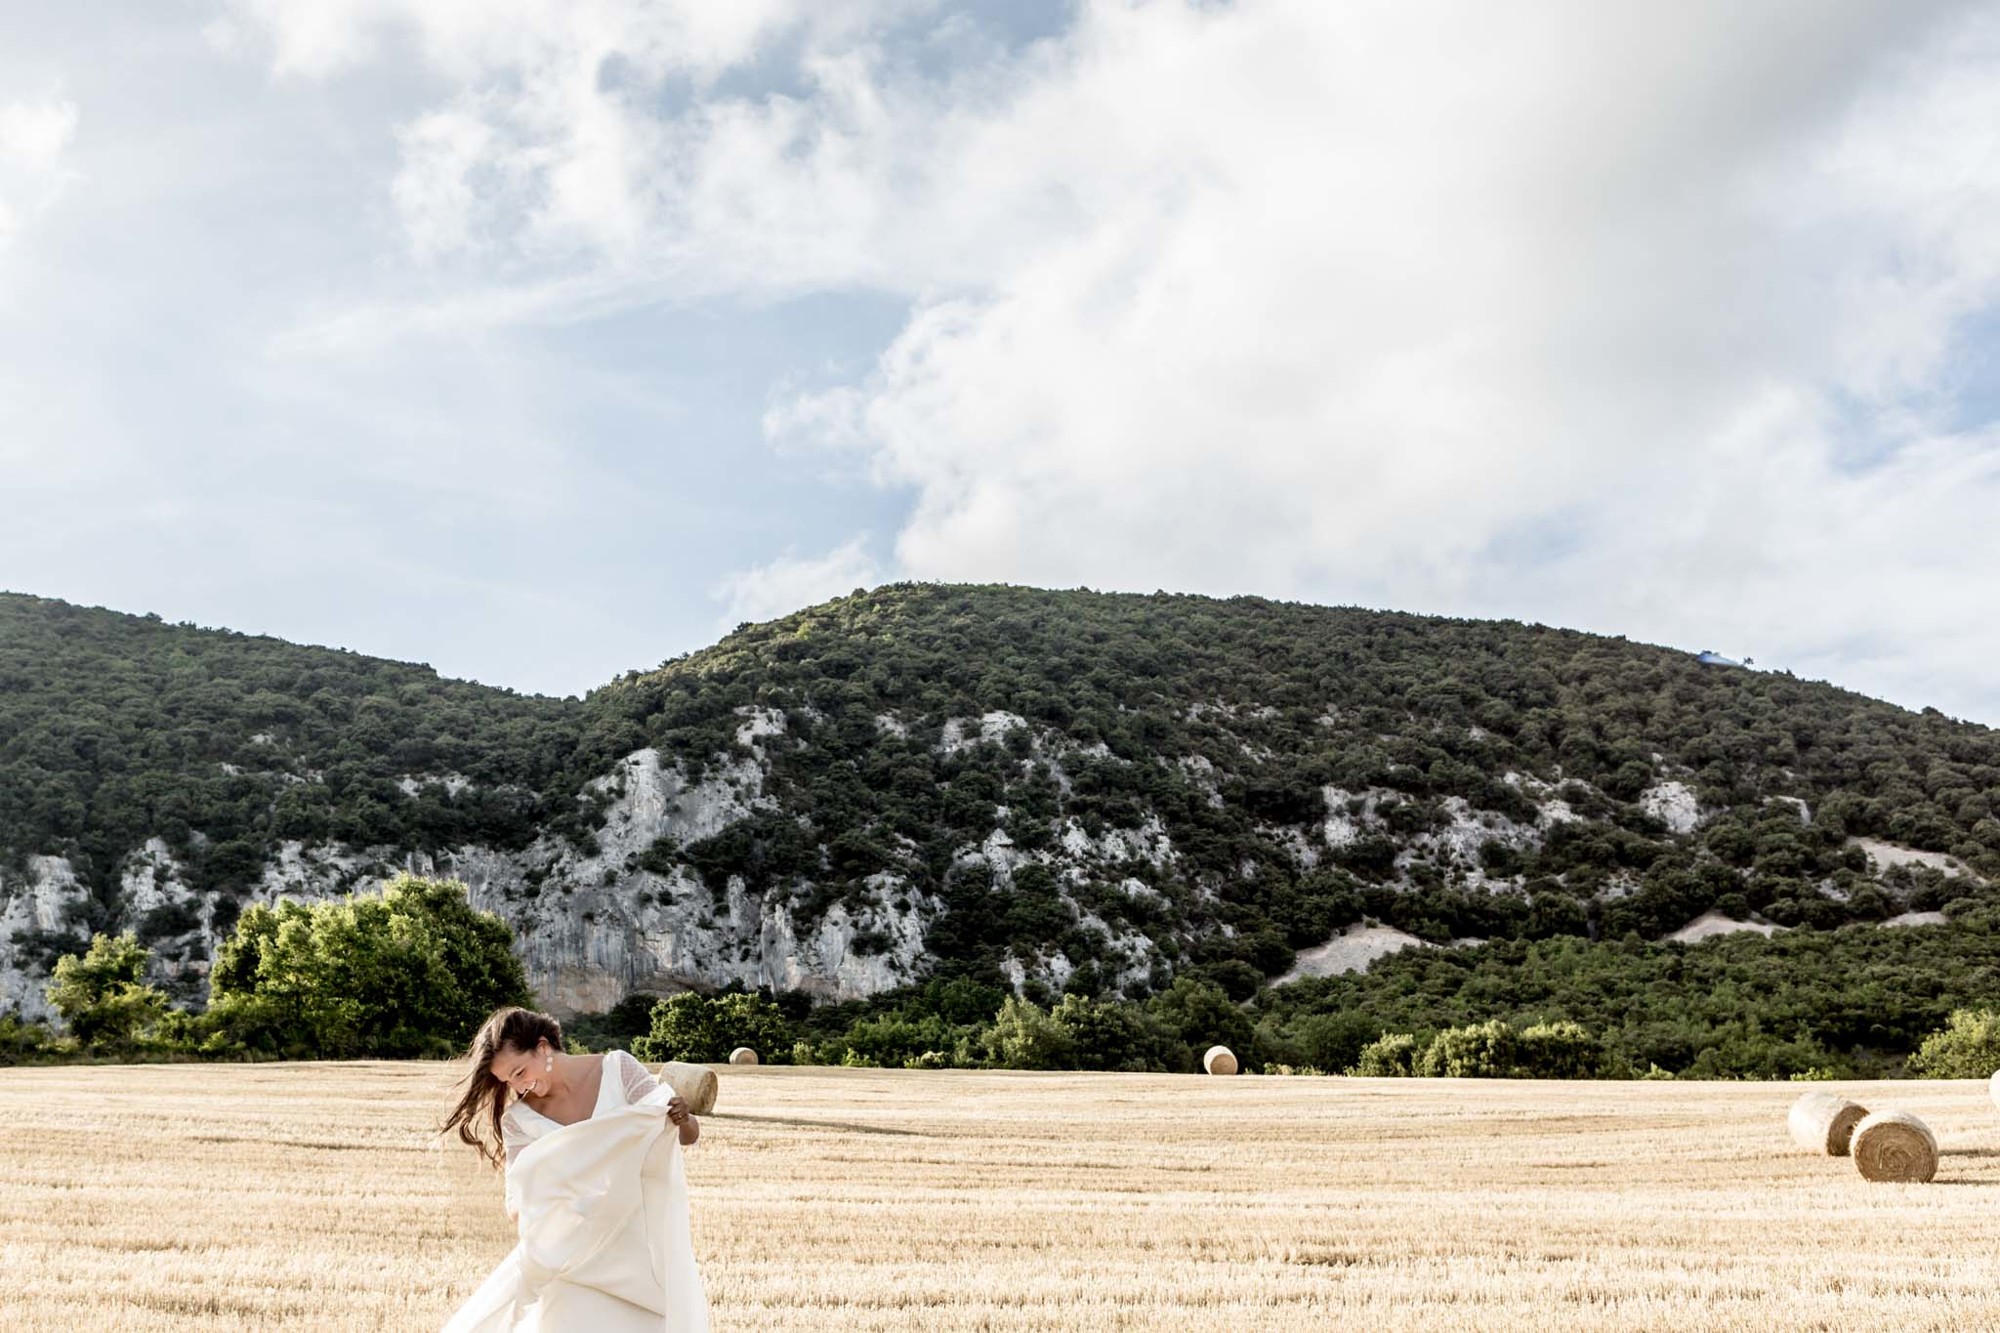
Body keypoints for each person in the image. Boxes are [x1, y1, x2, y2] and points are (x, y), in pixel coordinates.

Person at [439, 1006, 710, 1331]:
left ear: (542, 1047)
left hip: (635, 1247)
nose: (517, 1086)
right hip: (570, 1260)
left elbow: (685, 1136)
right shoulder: (518, 1121)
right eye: (507, 1080)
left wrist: (683, 1117)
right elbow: (517, 1200)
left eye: (520, 1072)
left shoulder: (618, 1069)